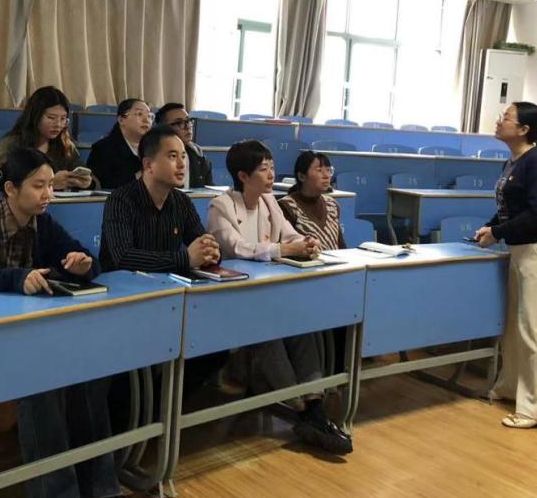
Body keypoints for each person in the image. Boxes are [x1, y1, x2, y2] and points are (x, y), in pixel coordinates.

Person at [0, 149, 132, 498]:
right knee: (43, 382)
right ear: (11, 189)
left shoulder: (44, 224)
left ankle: (97, 486)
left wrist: (84, 265)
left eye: (50, 185)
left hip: (33, 336)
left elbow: (87, 259)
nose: (48, 194)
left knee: (91, 375)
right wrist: (16, 278)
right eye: (38, 186)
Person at [207, 141, 352, 455]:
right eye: (264, 169)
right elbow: (237, 248)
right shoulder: (221, 206)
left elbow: (289, 234)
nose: (272, 174)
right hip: (235, 300)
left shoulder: (269, 201)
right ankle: (303, 408)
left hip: (271, 293)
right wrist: (282, 249)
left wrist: (306, 242)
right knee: (269, 333)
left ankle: (313, 404)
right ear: (243, 176)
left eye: (272, 167)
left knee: (303, 327)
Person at [99, 124, 225, 396]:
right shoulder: (121, 200)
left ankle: (159, 405)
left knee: (217, 346)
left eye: (183, 156)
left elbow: (200, 242)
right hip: (125, 301)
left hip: (169, 297)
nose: (182, 164)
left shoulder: (181, 202)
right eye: (172, 156)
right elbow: (123, 257)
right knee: (130, 370)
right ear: (148, 165)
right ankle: (136, 410)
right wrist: (185, 258)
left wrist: (211, 251)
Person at [474, 101, 537, 429]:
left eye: (507, 117)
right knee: (515, 328)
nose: (499, 121)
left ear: (524, 129)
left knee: (535, 332)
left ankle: (536, 409)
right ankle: (511, 388)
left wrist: (498, 233)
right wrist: (491, 226)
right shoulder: (515, 161)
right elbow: (510, 208)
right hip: (521, 250)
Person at [0, 86, 94, 191]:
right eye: (51, 118)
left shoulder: (65, 145)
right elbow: (4, 183)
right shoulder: (12, 143)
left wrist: (88, 183)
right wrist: (50, 184)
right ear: (35, 116)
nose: (58, 124)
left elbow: (93, 180)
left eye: (63, 119)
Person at [278, 151, 346, 251]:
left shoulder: (332, 205)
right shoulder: (286, 206)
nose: (326, 176)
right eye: (319, 170)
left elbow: (341, 247)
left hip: (333, 260)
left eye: (328, 170)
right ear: (302, 176)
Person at [85, 99, 151, 190]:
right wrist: (142, 174)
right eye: (139, 114)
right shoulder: (103, 149)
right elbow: (107, 185)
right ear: (121, 120)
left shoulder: (155, 147)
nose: (146, 120)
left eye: (149, 116)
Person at [153, 102, 213, 188]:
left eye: (188, 121)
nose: (187, 127)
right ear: (163, 128)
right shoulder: (156, 156)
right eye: (179, 123)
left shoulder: (198, 155)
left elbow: (208, 189)